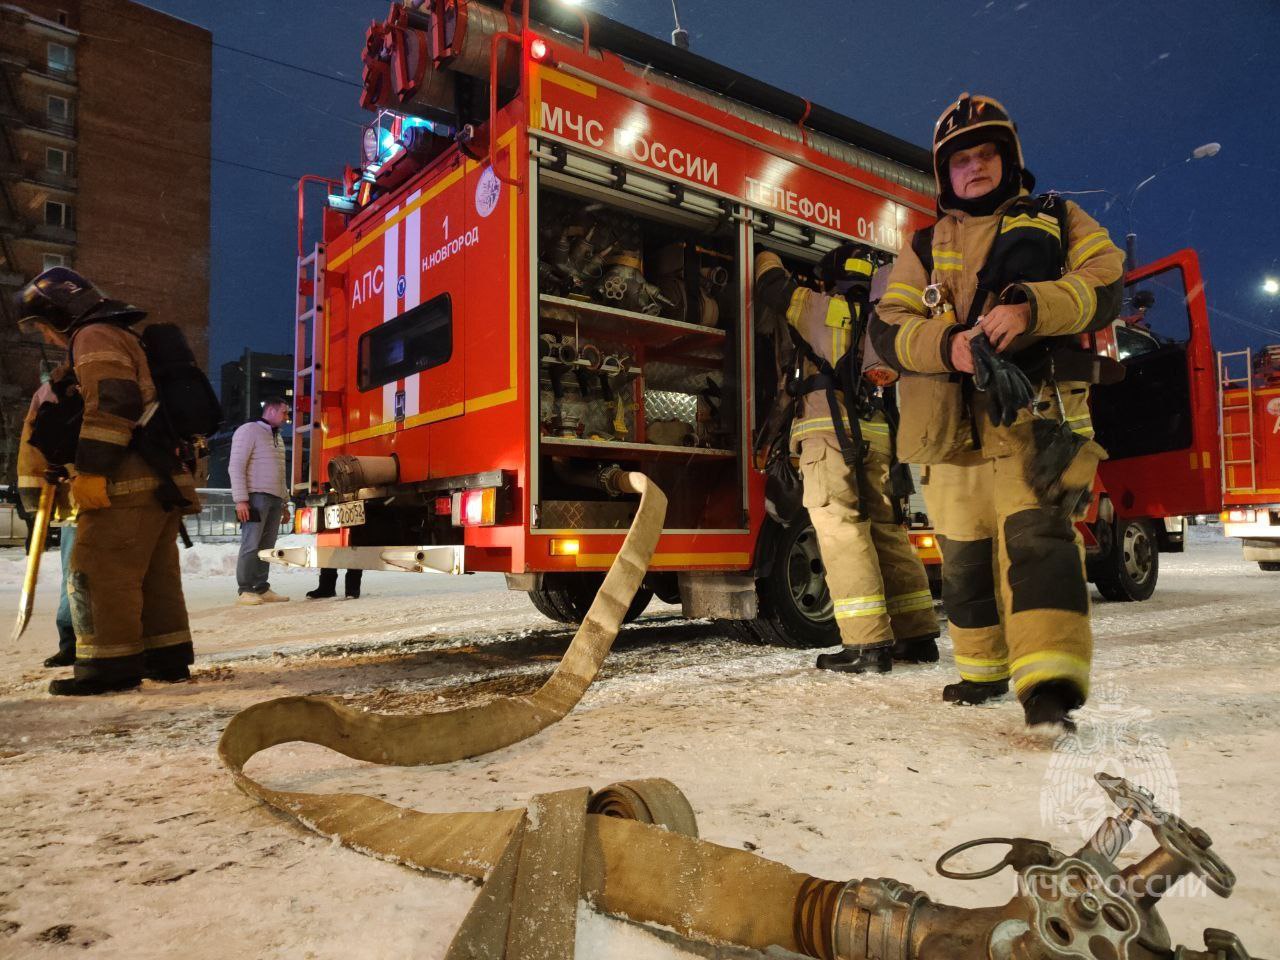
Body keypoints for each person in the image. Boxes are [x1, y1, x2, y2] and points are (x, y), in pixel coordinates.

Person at [870, 93, 1123, 728]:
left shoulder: (1058, 217)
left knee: (1039, 546)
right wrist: (948, 345)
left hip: (1031, 417)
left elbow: (1105, 284)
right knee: (963, 559)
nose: (975, 167)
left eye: (986, 154)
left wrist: (1031, 307)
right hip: (951, 430)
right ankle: (982, 670)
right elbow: (887, 327)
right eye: (960, 160)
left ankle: (1049, 687)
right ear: (944, 174)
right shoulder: (923, 245)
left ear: (1008, 159)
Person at [16, 266, 200, 696]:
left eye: (44, 326)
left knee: (97, 569)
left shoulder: (94, 336)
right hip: (158, 480)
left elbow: (115, 401)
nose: (46, 337)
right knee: (155, 576)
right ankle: (166, 656)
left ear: (61, 312)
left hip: (128, 479)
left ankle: (107, 667)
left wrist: (94, 471)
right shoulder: (122, 333)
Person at [755, 245, 939, 674]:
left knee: (842, 533)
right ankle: (917, 635)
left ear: (829, 280)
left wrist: (765, 251)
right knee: (888, 534)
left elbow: (772, 287)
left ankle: (866, 645)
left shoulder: (817, 306)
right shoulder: (886, 319)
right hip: (879, 438)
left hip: (828, 438)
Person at [17, 374, 78, 667]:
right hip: (79, 501)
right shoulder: (53, 391)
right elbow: (34, 444)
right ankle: (72, 641)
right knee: (76, 576)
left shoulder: (55, 390)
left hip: (84, 501)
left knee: (78, 576)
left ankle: (76, 643)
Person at [229, 397, 290, 605]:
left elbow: (280, 472)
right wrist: (241, 500)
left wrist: (284, 502)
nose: (286, 417)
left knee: (267, 545)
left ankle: (261, 587)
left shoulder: (277, 436)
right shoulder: (249, 431)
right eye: (284, 412)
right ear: (271, 411)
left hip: (274, 498)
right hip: (255, 497)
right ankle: (245, 589)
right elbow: (236, 466)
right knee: (251, 544)